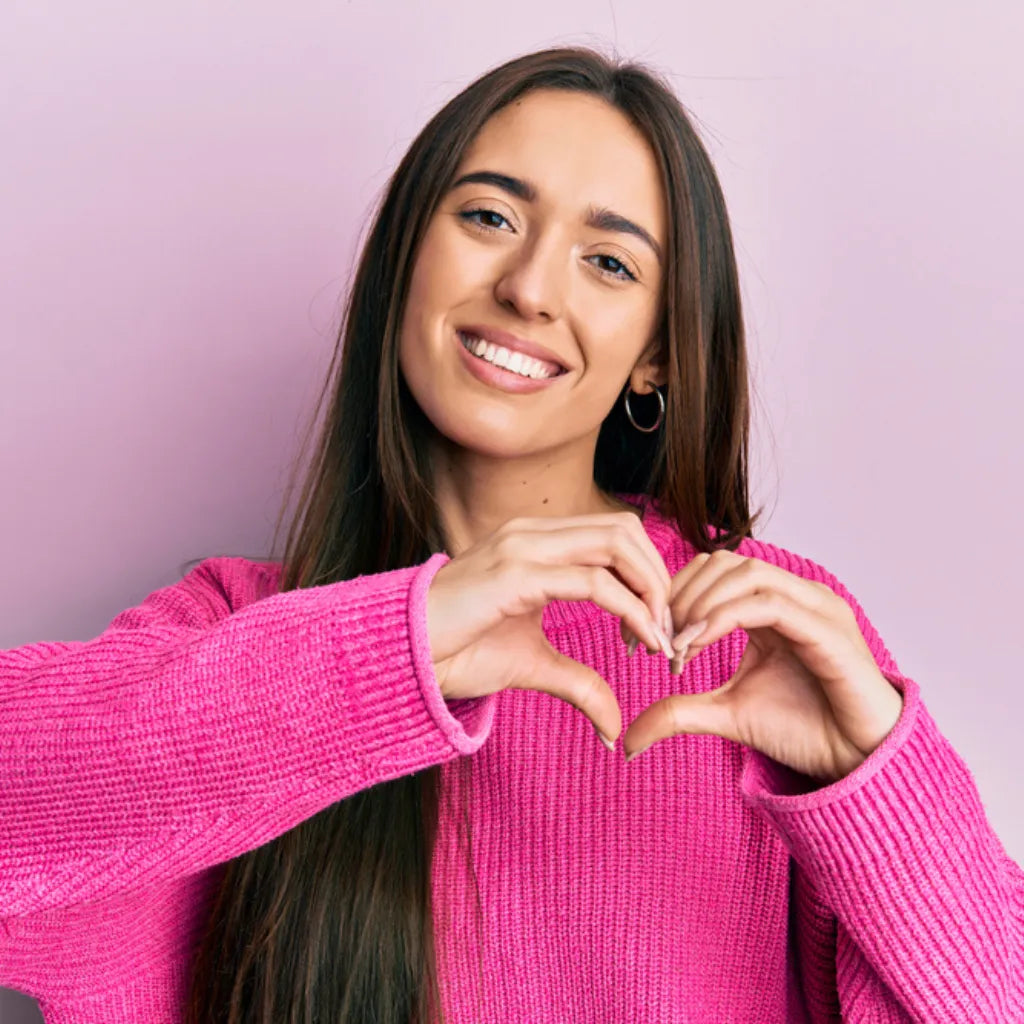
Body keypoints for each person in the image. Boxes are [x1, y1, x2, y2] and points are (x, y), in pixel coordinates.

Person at [0, 45, 1020, 1024]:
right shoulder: (244, 626)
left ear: (656, 358)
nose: (530, 287)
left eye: (609, 263)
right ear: (405, 257)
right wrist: (392, 653)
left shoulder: (755, 643)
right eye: (489, 215)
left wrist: (880, 791)